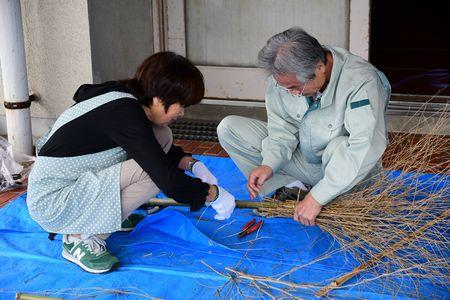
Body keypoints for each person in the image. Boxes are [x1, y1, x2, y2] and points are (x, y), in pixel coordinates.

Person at [26, 52, 236, 274]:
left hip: (76, 186)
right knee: (153, 176)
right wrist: (211, 194)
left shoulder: (127, 100)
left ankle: (110, 216)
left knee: (162, 135)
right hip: (53, 202)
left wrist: (191, 164)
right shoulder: (123, 113)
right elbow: (167, 180)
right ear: (159, 98)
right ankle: (80, 237)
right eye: (181, 105)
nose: (182, 113)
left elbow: (149, 146)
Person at [217, 27, 390, 227]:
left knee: (339, 145)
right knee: (229, 128)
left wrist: (318, 196)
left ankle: (325, 197)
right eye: (285, 87)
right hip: (309, 163)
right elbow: (281, 131)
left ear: (319, 68)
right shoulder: (284, 78)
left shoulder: (361, 81)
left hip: (347, 172)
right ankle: (293, 190)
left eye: (295, 87)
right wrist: (269, 164)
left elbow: (364, 147)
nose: (291, 93)